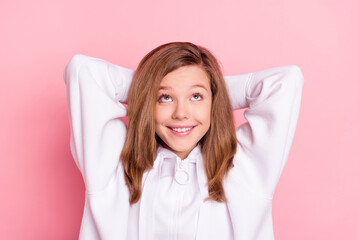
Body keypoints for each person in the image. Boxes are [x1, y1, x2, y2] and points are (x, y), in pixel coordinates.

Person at [63, 41, 304, 240]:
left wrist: (215, 88)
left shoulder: (244, 165)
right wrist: (147, 87)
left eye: (196, 96)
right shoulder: (114, 164)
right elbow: (83, 71)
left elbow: (286, 81)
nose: (181, 113)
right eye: (165, 97)